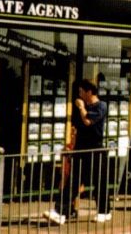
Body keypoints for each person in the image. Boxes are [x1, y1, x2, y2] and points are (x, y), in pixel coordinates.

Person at [44, 79, 110, 225]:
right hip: (81, 149)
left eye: (81, 91)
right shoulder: (84, 106)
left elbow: (88, 121)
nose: (79, 95)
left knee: (99, 181)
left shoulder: (101, 106)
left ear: (89, 92)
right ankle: (60, 212)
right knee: (73, 181)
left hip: (95, 148)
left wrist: (81, 108)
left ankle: (104, 211)